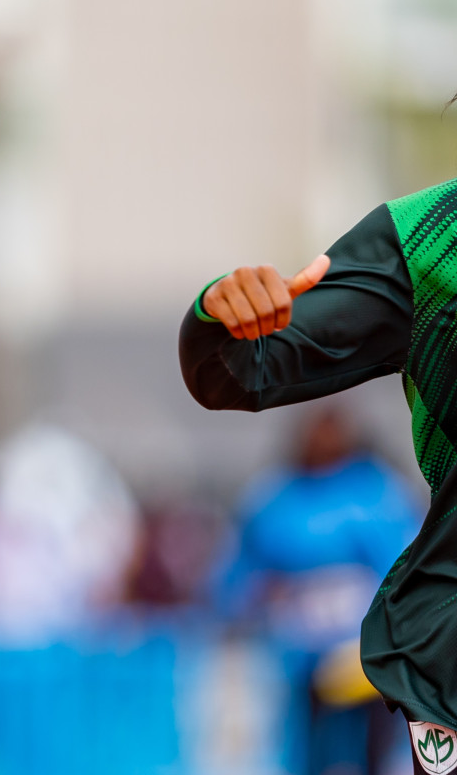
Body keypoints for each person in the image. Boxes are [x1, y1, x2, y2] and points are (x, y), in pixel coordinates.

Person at [178, 181, 457, 775]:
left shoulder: (371, 493)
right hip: (332, 663)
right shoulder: (431, 235)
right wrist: (218, 313)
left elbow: (392, 546)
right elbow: (233, 367)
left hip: (357, 661)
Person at [209, 408, 420, 774]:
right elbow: (239, 577)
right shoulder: (273, 498)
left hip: (364, 652)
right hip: (297, 653)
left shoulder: (377, 493)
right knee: (307, 749)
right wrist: (256, 599)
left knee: (372, 747)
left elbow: (403, 565)